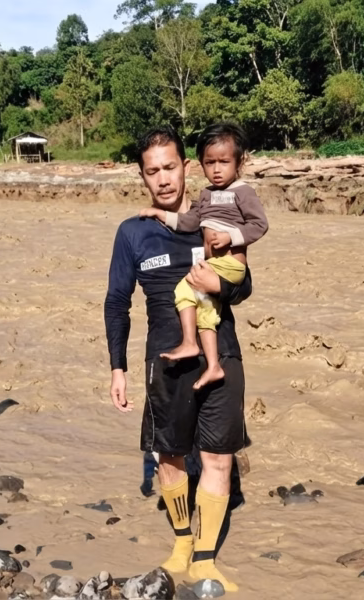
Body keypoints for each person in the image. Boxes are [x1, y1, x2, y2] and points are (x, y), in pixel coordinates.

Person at [104, 126, 250, 592]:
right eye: (153, 171)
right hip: (164, 359)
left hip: (220, 351)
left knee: (218, 458)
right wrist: (118, 369)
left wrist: (219, 287)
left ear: (187, 167)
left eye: (170, 167)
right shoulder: (133, 232)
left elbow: (244, 285)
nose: (163, 179)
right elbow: (116, 301)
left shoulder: (218, 214)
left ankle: (205, 557)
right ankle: (182, 541)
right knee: (168, 453)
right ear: (142, 176)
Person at [140, 123, 268, 390]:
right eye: (210, 163)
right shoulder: (207, 195)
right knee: (205, 312)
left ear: (239, 161)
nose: (217, 169)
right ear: (200, 164)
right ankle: (213, 365)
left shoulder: (243, 192)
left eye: (224, 162)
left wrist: (230, 237)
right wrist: (161, 215)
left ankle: (189, 342)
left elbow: (259, 225)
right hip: (214, 266)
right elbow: (189, 222)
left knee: (183, 290)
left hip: (229, 265)